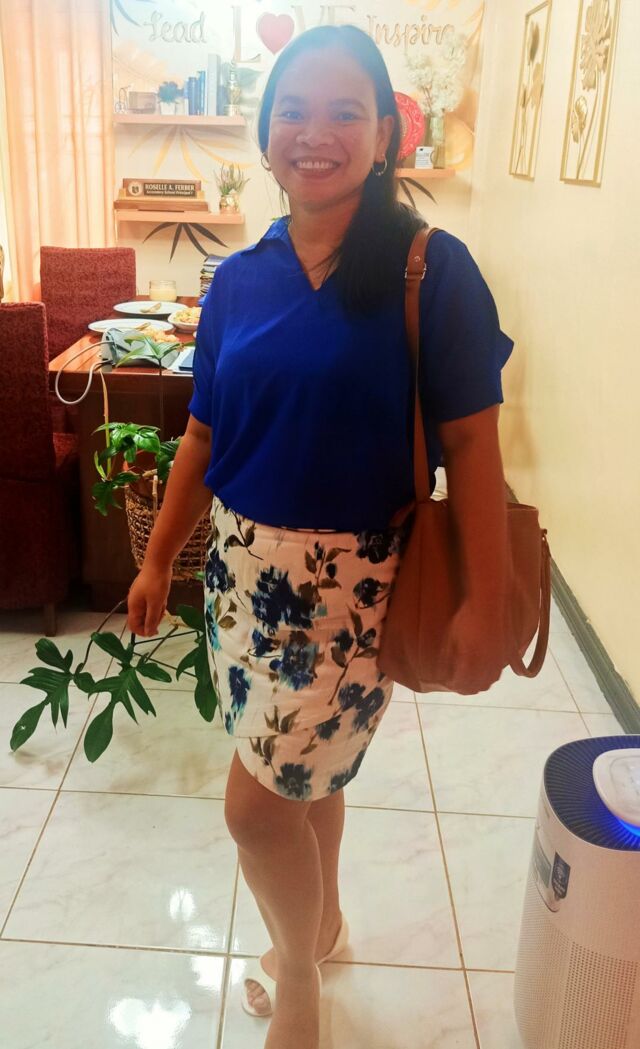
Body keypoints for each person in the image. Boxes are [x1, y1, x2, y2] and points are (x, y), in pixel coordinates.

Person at [127, 23, 514, 1049]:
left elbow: (473, 444)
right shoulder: (238, 279)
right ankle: (326, 921)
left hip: (348, 596)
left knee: (255, 811)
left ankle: (295, 972)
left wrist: (489, 598)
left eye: (346, 112)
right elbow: (204, 432)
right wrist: (160, 556)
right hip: (240, 577)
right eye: (293, 110)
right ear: (265, 134)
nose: (316, 132)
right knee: (307, 781)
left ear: (385, 135)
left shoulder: (431, 269)